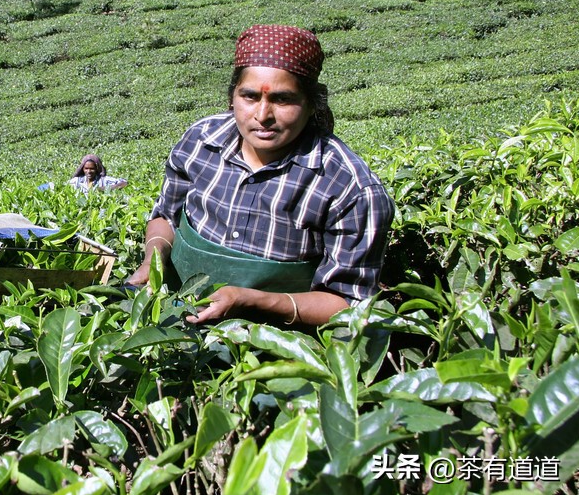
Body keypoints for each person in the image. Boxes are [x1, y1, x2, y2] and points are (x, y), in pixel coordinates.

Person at [126, 25, 394, 327]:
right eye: (250, 96)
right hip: (173, 327)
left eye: (282, 99)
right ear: (232, 97)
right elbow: (166, 217)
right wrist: (153, 257)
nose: (263, 115)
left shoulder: (350, 189)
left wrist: (252, 300)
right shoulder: (200, 141)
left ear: (311, 104)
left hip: (272, 352)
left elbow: (347, 304)